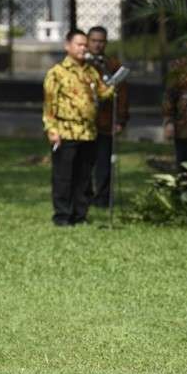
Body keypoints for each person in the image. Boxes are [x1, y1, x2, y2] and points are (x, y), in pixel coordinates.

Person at [42, 29, 114, 226]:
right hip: (66, 131)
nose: (83, 48)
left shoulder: (91, 71)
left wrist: (114, 82)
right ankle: (63, 216)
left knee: (83, 177)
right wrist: (52, 129)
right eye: (79, 44)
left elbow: (103, 93)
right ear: (68, 46)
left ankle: (80, 214)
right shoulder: (57, 73)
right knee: (64, 177)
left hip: (88, 133)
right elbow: (50, 104)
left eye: (85, 45)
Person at [86, 26, 129, 207]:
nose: (97, 44)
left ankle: (102, 198)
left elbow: (123, 94)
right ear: (88, 42)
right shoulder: (81, 64)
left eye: (101, 41)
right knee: (85, 163)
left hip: (105, 123)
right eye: (94, 41)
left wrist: (120, 120)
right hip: (85, 124)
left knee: (104, 164)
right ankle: (85, 197)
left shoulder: (111, 65)